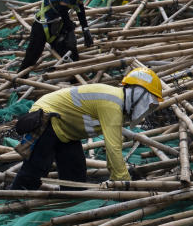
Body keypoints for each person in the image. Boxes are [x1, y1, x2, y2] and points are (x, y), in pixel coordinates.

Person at [10, 67, 162, 190]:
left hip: (66, 131)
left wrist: (118, 178)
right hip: (49, 118)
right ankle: (13, 202)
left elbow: (113, 150)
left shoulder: (117, 106)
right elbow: (113, 148)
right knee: (35, 169)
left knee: (75, 175)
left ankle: (68, 207)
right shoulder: (112, 104)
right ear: (138, 94)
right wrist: (125, 182)